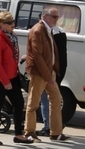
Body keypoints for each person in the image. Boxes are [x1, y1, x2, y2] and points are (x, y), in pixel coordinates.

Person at [0, 11, 33, 145]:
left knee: (18, 103)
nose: (13, 24)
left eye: (13, 22)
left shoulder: (11, 37)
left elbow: (13, 57)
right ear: (1, 24)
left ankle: (19, 134)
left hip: (12, 75)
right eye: (9, 23)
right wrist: (5, 82)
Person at [24, 7, 67, 141]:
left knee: (56, 98)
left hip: (49, 72)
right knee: (33, 102)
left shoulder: (48, 30)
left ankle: (55, 132)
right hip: (39, 73)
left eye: (57, 17)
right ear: (45, 16)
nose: (56, 19)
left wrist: (54, 70)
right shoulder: (37, 30)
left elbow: (52, 53)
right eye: (54, 17)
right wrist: (48, 76)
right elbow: (37, 56)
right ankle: (29, 132)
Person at [38, 21, 68, 136]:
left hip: (51, 70)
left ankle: (48, 126)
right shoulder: (60, 31)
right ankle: (56, 124)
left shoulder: (49, 34)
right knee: (54, 99)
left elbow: (47, 54)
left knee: (46, 98)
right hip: (60, 69)